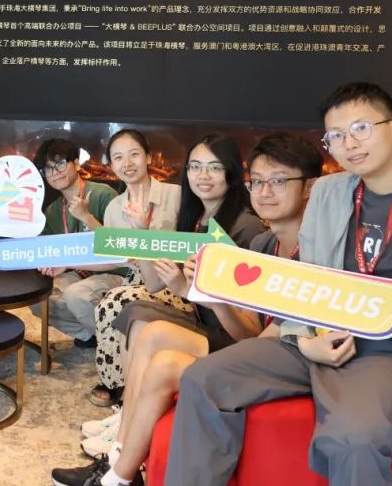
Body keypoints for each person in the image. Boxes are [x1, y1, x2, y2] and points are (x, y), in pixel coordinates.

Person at [165, 83, 392, 486]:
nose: (349, 144)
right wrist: (304, 337)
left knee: (353, 438)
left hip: (388, 352)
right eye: (336, 136)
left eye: (361, 128)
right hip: (313, 340)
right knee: (203, 379)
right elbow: (307, 281)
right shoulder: (327, 193)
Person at [54, 132, 323, 486]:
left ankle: (118, 473)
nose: (264, 192)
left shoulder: (270, 237)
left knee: (152, 339)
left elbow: (257, 334)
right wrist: (155, 248)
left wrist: (202, 296)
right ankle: (119, 455)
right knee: (148, 329)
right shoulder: (258, 240)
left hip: (266, 351)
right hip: (236, 334)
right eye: (258, 182)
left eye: (278, 181)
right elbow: (249, 325)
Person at [79, 133, 264, 462]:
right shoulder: (195, 218)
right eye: (195, 166)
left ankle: (123, 441)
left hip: (226, 332)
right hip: (200, 316)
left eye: (214, 167)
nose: (203, 175)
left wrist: (183, 289)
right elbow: (154, 284)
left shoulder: (244, 227)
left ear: (232, 172)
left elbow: (247, 323)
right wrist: (143, 234)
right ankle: (125, 429)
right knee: (138, 313)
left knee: (138, 314)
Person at [0, 138, 121, 347]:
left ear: (76, 163)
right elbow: (36, 250)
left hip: (114, 272)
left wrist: (86, 217)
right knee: (38, 300)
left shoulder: (103, 194)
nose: (54, 172)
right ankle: (92, 334)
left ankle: (116, 343)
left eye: (60, 164)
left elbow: (118, 246)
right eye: (48, 168)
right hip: (79, 274)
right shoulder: (53, 210)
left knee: (76, 295)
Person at [88, 129, 188, 408]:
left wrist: (144, 231)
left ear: (148, 157)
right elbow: (112, 257)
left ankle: (122, 394)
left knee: (115, 302)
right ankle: (117, 382)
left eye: (134, 154)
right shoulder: (114, 207)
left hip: (172, 280)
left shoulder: (176, 195)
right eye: (118, 158)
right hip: (135, 279)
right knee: (108, 301)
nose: (127, 163)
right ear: (111, 165)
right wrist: (64, 264)